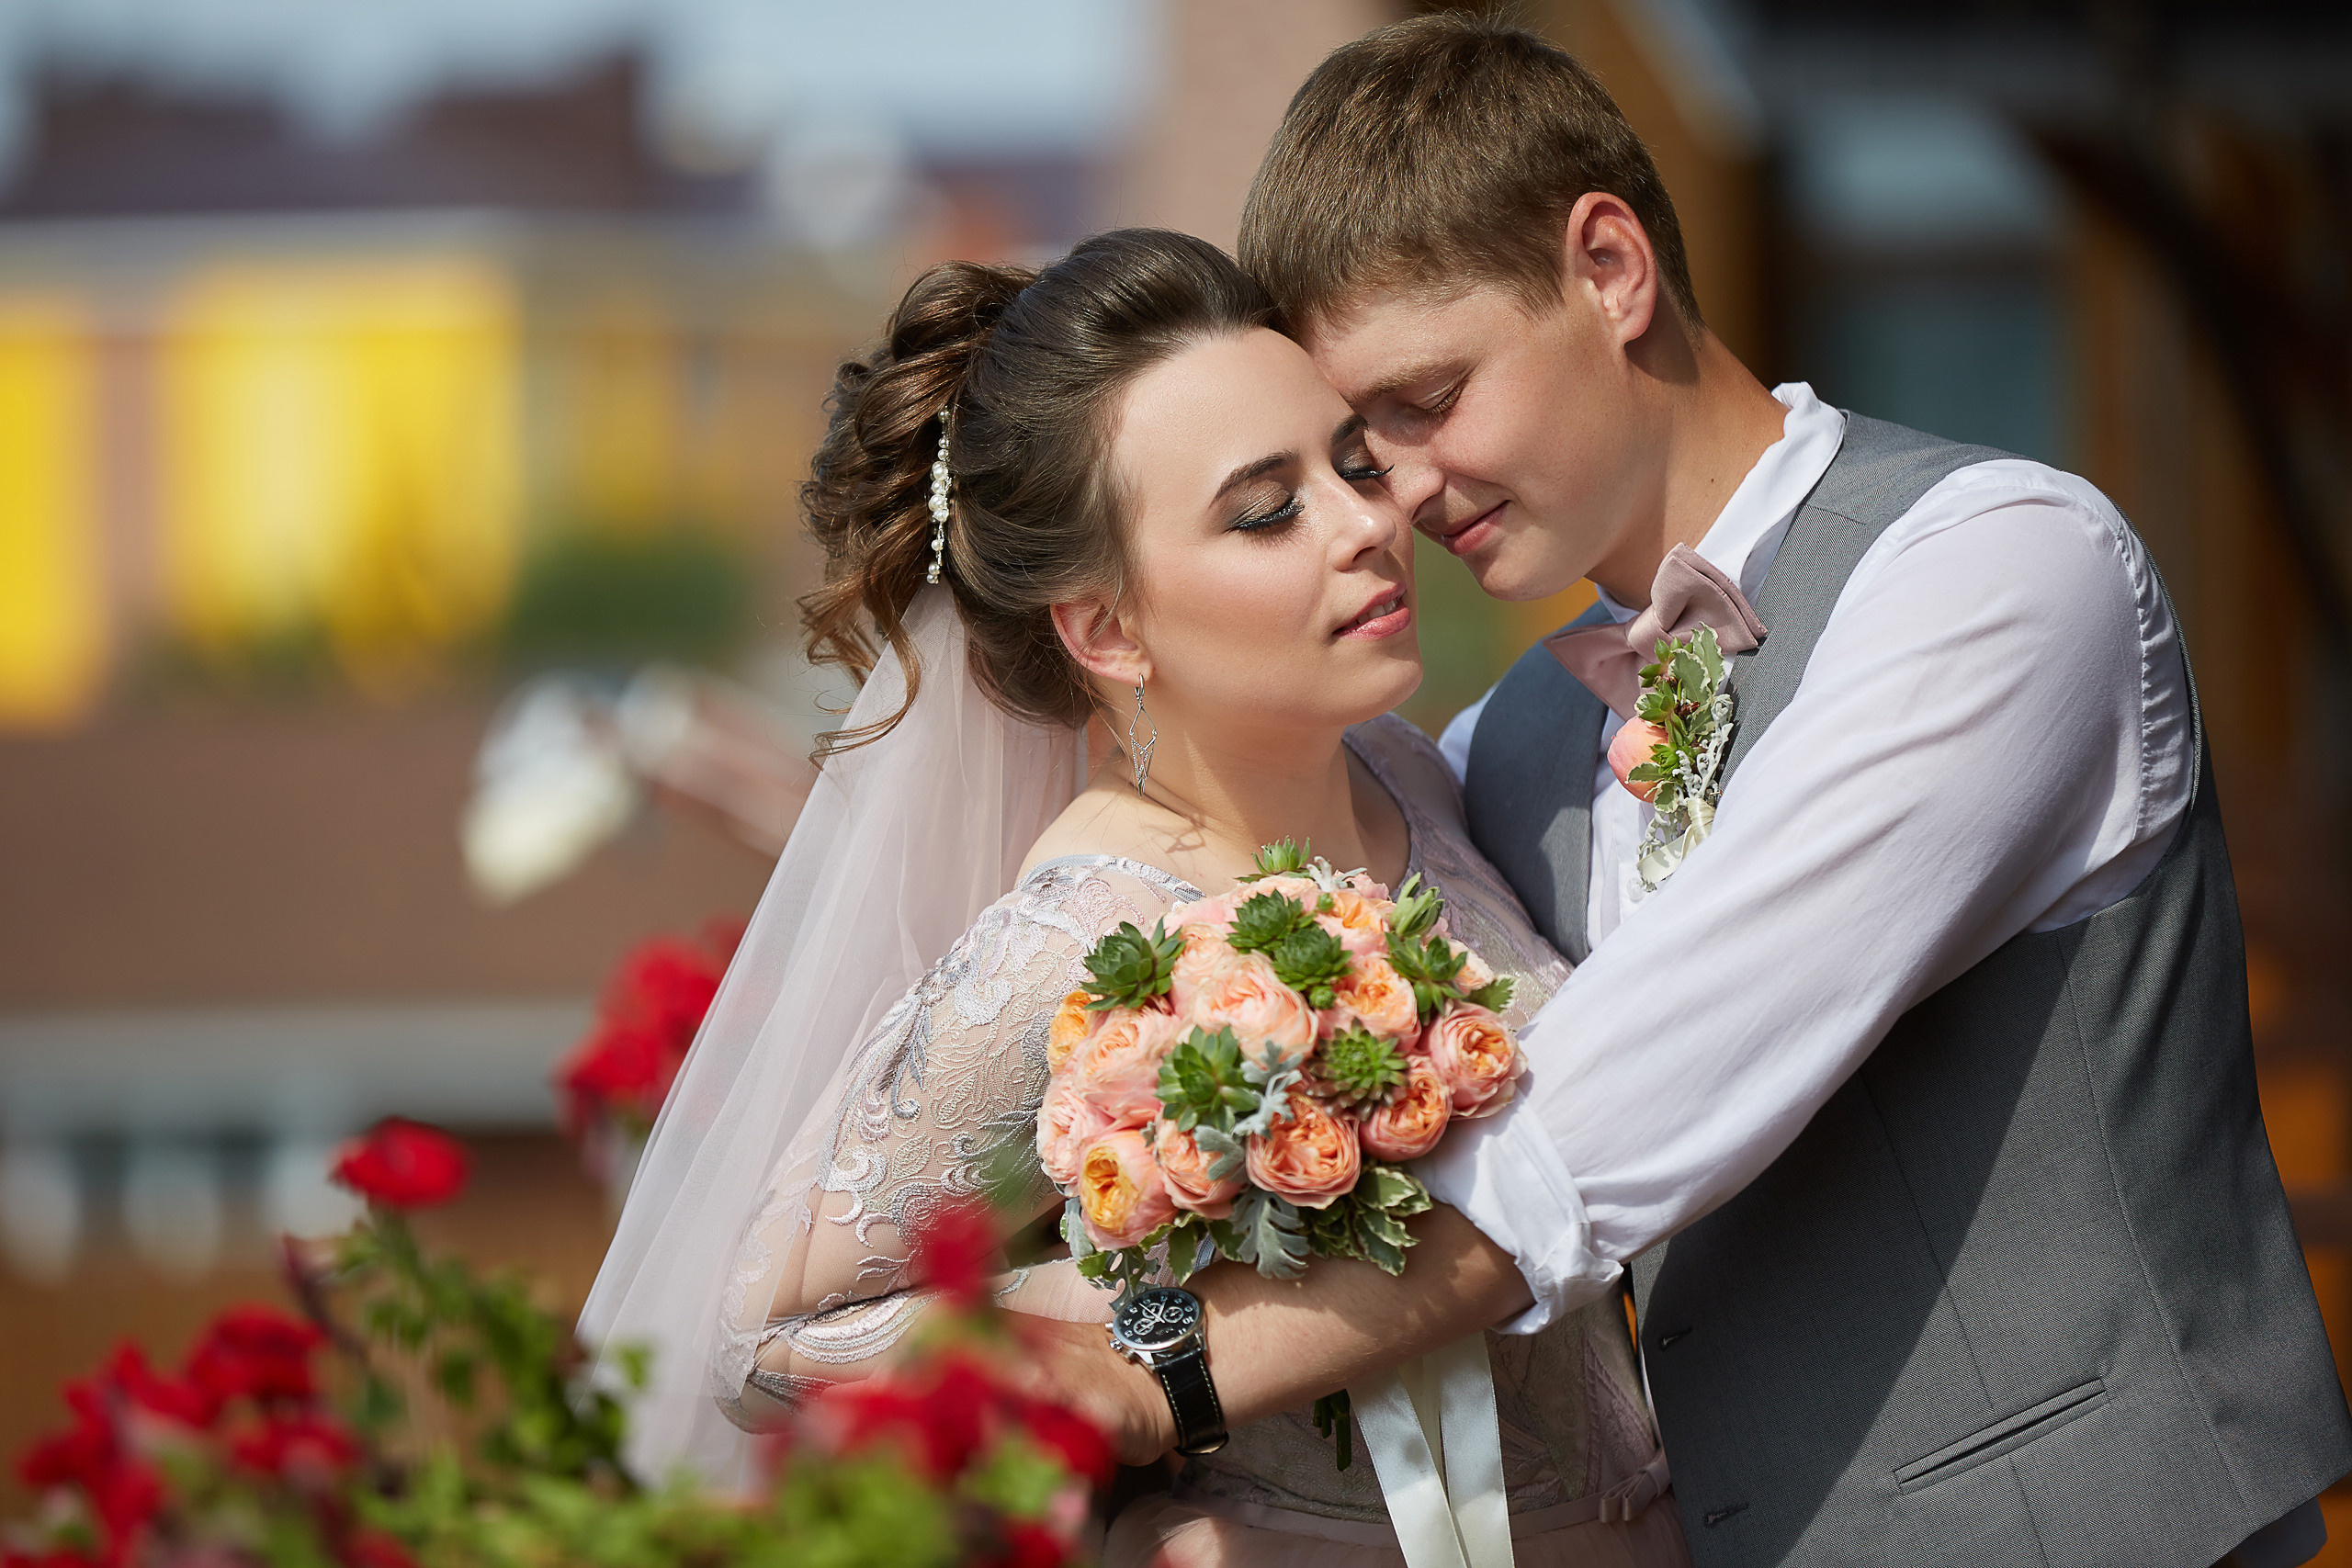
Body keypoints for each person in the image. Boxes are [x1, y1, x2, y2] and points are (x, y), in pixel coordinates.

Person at [1012, 16, 2352, 1568]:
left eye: (1426, 398)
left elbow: (1616, 1110)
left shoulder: (2004, 567)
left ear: (1610, 269)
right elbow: (1245, 915)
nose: (1400, 497)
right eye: (1357, 447)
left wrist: (1153, 1373)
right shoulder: (1511, 739)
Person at [577, 227, 1694, 1568]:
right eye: (1267, 508)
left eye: (1351, 462)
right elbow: (750, 1337)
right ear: (1107, 629)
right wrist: (1141, 1314)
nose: (1367, 522)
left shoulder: (1410, 778)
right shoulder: (1081, 933)